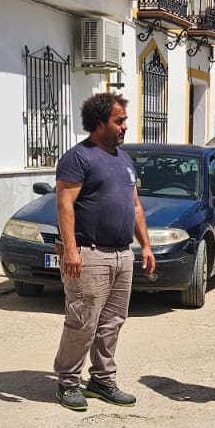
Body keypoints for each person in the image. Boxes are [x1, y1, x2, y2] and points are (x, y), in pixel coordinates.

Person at [51, 92, 156, 411]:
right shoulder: (78, 158)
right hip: (90, 253)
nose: (125, 126)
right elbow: (65, 204)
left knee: (113, 322)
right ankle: (68, 382)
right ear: (99, 123)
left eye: (124, 120)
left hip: (122, 254)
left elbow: (135, 206)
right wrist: (71, 250)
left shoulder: (124, 160)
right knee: (82, 320)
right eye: (119, 121)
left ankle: (102, 380)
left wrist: (145, 245)